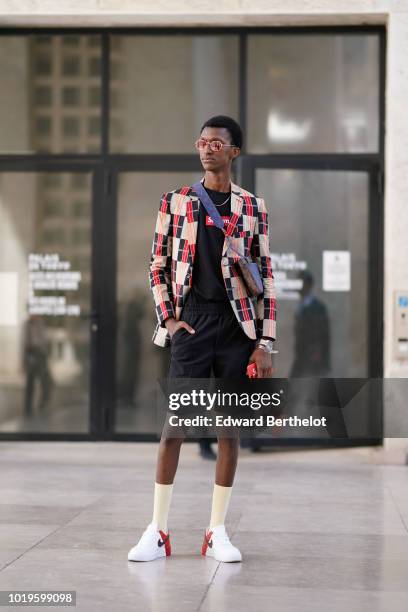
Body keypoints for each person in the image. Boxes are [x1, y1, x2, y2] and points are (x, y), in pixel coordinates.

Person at [128, 115, 277, 563]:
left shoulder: (253, 207)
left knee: (229, 430)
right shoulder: (175, 201)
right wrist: (169, 319)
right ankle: (158, 531)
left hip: (236, 327)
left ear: (234, 152)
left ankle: (217, 532)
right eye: (202, 141)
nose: (207, 148)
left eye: (217, 142)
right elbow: (156, 265)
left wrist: (264, 342)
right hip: (191, 323)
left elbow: (266, 277)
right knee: (175, 426)